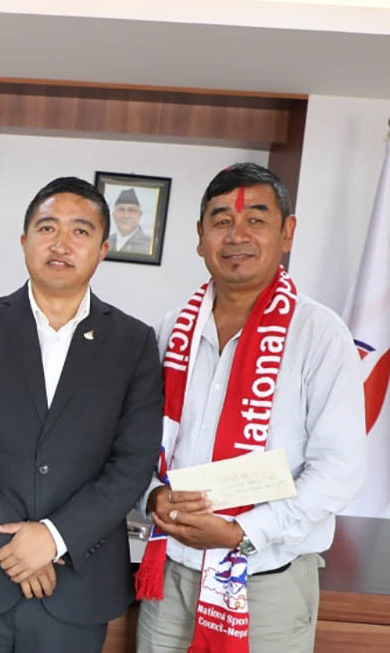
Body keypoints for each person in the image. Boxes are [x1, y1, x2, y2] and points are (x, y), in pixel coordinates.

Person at [0, 176, 163, 652]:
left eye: (80, 231)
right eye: (47, 228)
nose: (61, 243)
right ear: (24, 241)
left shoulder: (133, 343)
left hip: (77, 580)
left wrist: (53, 538)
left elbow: (133, 462)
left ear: (103, 248)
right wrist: (12, 546)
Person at [134, 163, 366, 653]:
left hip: (265, 580)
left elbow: (339, 469)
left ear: (288, 232)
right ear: (200, 238)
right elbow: (136, 442)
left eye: (256, 220)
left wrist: (241, 531)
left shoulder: (320, 335)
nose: (237, 235)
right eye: (221, 221)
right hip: (172, 573)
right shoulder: (169, 331)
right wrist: (154, 498)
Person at [108, 187, 153, 255]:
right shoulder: (106, 241)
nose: (126, 216)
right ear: (114, 215)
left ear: (140, 215)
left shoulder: (149, 244)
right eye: (121, 209)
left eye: (131, 210)